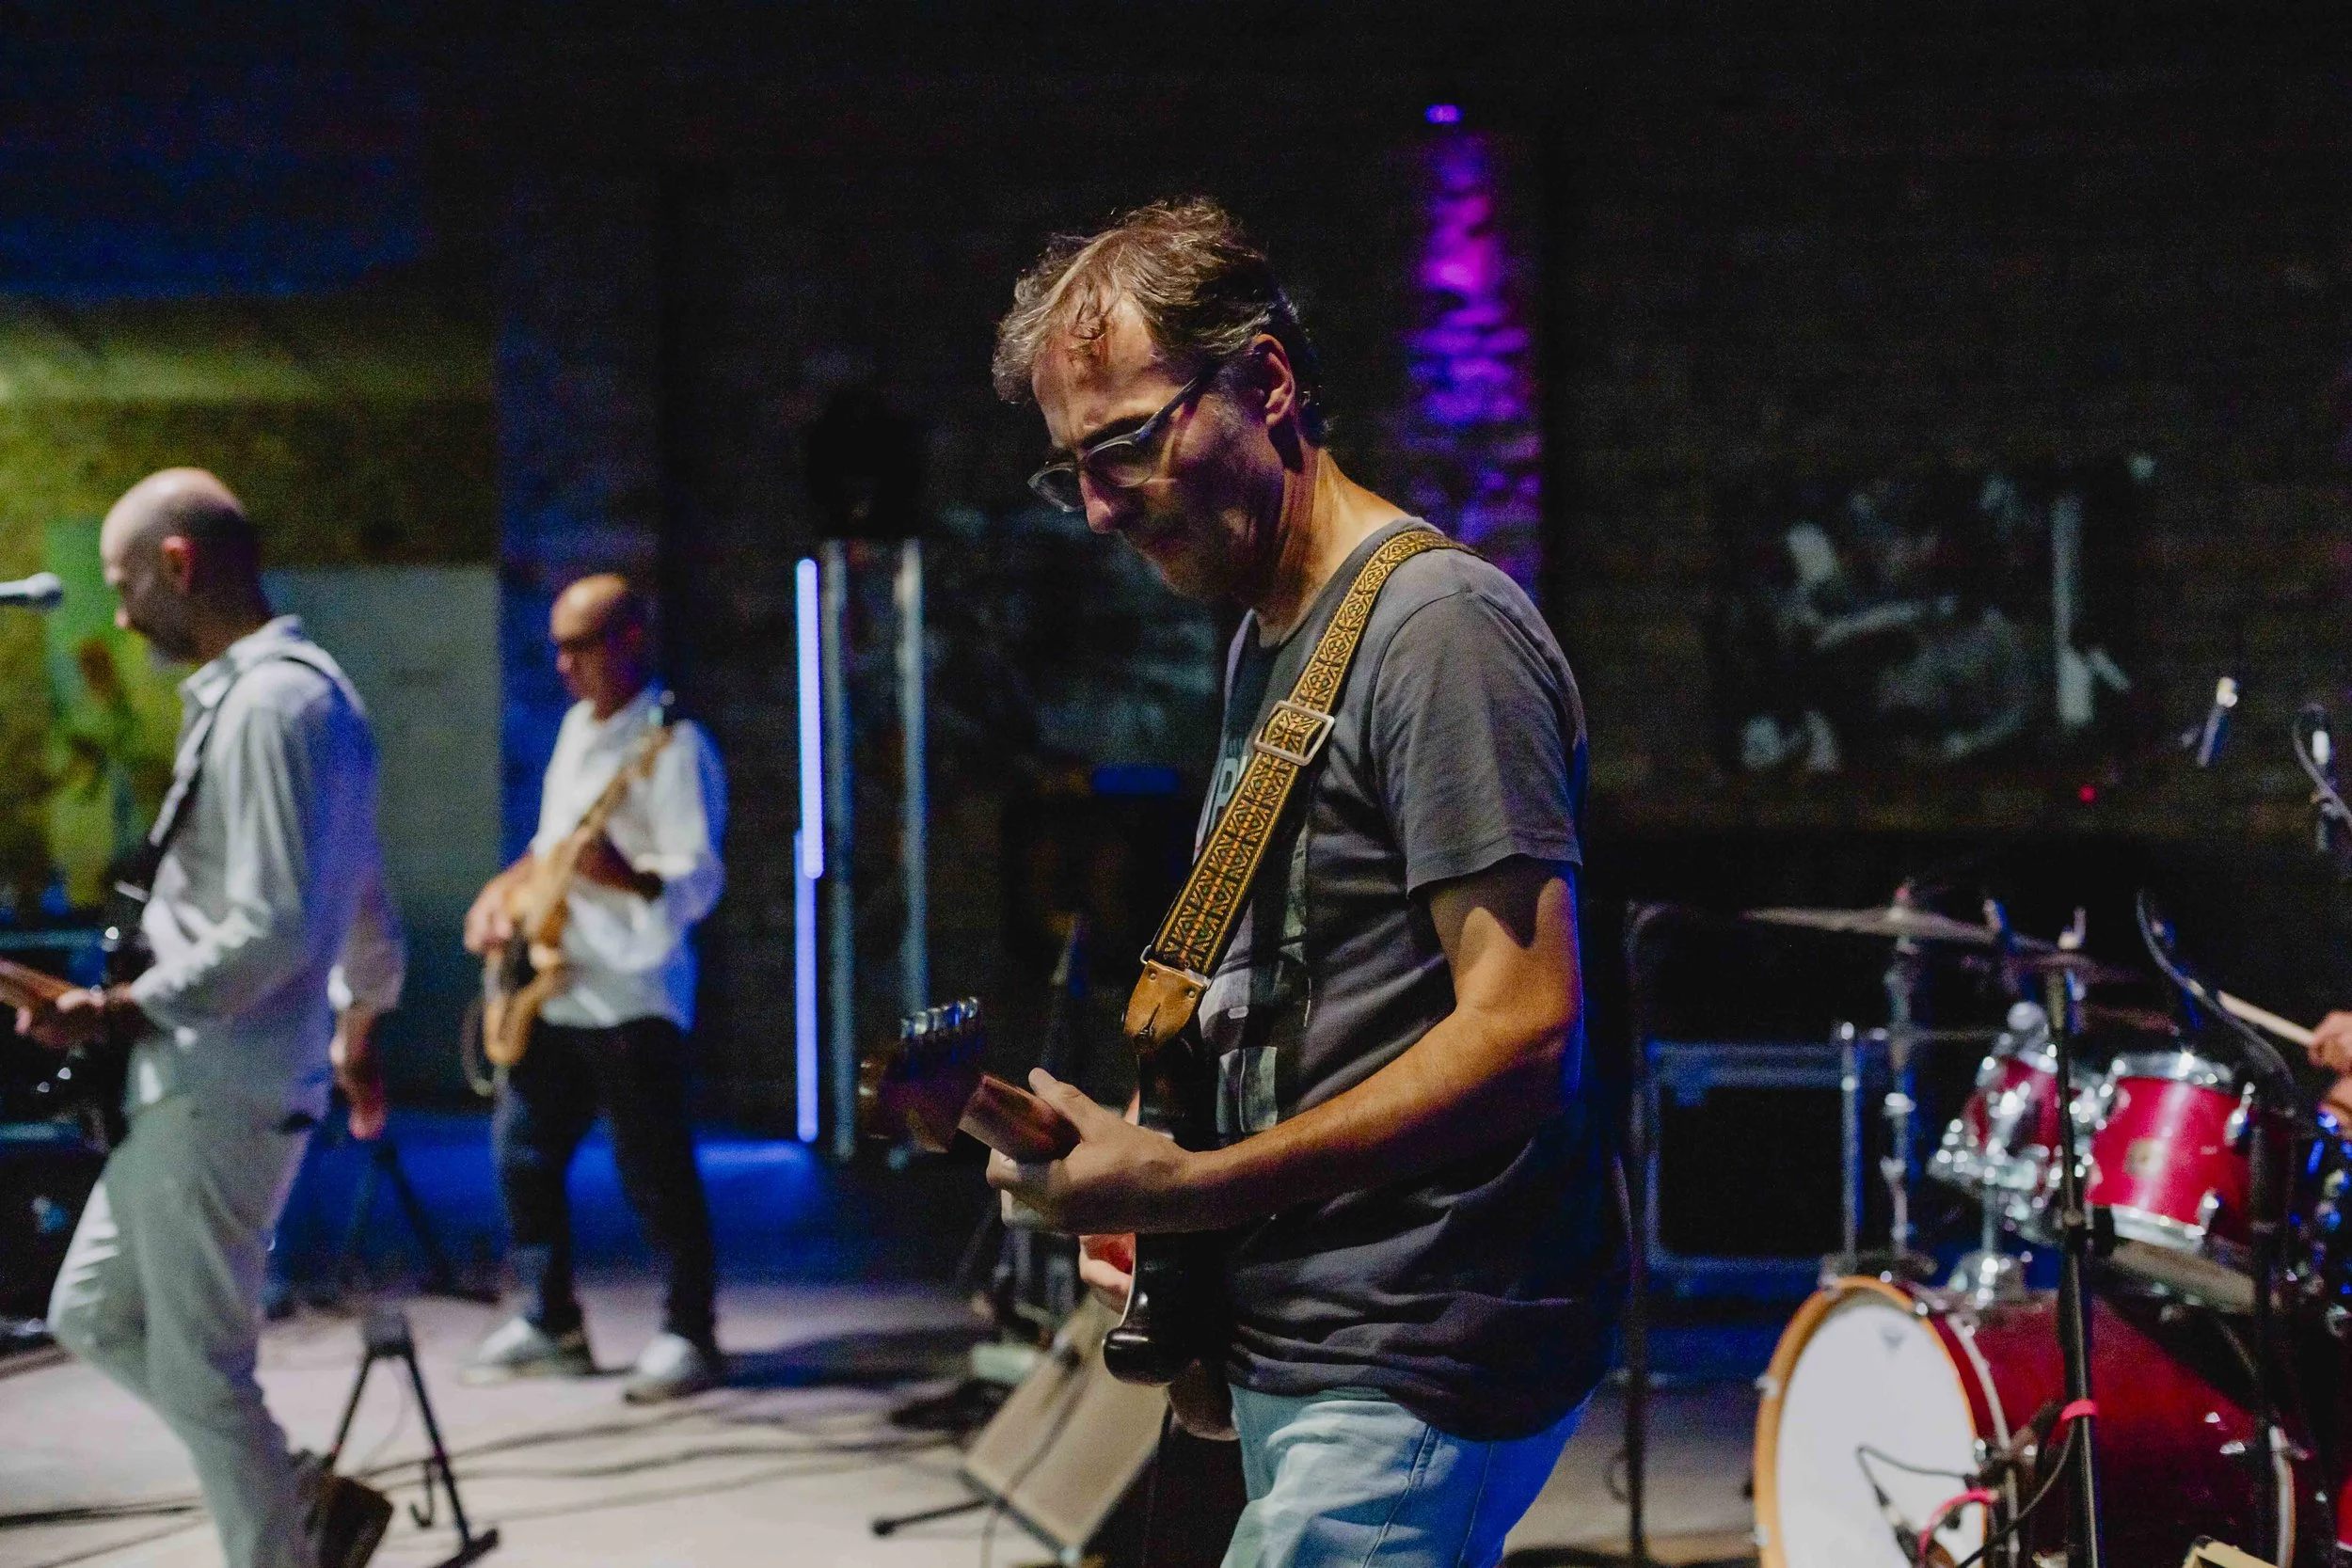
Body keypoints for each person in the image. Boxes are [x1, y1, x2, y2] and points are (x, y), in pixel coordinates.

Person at [985, 200, 1618, 1568]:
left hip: (1417, 1337)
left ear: (1265, 383)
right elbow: (1301, 985)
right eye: (1070, 471)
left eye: (1128, 444)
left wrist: (1198, 1188)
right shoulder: (1278, 632)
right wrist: (1147, 1148)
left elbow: (1525, 1029)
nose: (1100, 507)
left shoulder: (1439, 628)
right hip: (1321, 1323)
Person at [18, 467, 405, 1568]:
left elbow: (277, 923)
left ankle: (278, 1546)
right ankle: (296, 1498)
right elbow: (360, 893)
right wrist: (364, 1018)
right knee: (93, 1313)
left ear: (178, 565)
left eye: (125, 582)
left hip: (215, 1085)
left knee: (202, 1371)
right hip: (195, 1082)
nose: (123, 611)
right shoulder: (292, 696)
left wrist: (124, 1002)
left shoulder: (277, 704)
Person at [460, 574, 727, 1403]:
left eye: (580, 646)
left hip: (633, 996)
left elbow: (697, 880)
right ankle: (551, 1319)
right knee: (521, 1155)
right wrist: (501, 897)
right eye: (558, 647)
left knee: (654, 1170)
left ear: (630, 642)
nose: (564, 665)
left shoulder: (675, 746)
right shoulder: (579, 729)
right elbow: (551, 846)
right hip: (559, 984)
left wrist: (625, 878)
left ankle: (689, 1331)